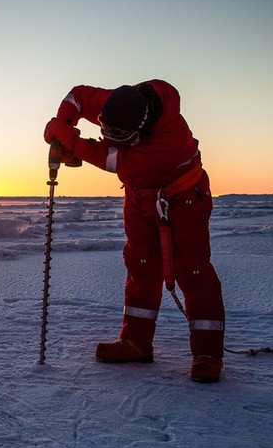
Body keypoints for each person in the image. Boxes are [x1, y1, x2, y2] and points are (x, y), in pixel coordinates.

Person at [43, 80, 226, 382]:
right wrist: (64, 125)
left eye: (121, 136)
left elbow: (113, 160)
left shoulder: (166, 139)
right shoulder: (117, 104)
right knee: (140, 264)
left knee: (193, 270)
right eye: (107, 132)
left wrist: (68, 140)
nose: (113, 139)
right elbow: (77, 96)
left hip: (183, 197)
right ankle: (136, 341)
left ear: (140, 128)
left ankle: (207, 353)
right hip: (139, 196)